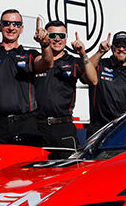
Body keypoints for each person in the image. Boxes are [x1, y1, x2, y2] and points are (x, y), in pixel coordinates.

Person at [0, 10, 52, 145]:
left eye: (16, 24)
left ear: (21, 29)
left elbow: (47, 63)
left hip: (25, 123)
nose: (11, 27)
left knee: (27, 165)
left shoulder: (30, 54)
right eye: (6, 23)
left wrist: (45, 44)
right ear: (0, 27)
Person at [35, 20, 97, 148]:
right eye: (52, 36)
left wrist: (83, 54)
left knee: (69, 167)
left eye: (62, 36)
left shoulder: (73, 62)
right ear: (46, 37)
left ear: (66, 38)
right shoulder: (38, 60)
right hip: (38, 127)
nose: (57, 39)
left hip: (64, 127)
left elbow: (93, 80)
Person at [87, 31, 126, 135]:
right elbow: (85, 73)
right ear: (112, 48)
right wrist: (100, 51)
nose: (122, 49)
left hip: (125, 131)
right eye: (118, 45)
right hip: (98, 130)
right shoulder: (100, 64)